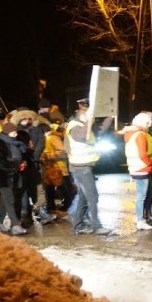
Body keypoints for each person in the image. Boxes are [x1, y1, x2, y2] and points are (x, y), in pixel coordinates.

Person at [67, 98, 111, 235]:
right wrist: (88, 121)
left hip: (85, 167)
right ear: (82, 115)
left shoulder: (85, 126)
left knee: (84, 197)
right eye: (87, 115)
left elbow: (101, 130)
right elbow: (81, 136)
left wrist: (111, 115)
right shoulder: (74, 126)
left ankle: (78, 225)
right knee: (92, 196)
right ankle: (96, 226)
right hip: (81, 168)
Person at [0, 122, 28, 235]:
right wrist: (17, 165)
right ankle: (15, 225)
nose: (16, 133)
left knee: (5, 200)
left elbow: (17, 157)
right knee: (10, 200)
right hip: (4, 177)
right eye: (13, 131)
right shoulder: (0, 144)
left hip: (13, 176)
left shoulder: (14, 143)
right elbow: (0, 162)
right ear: (7, 132)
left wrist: (22, 163)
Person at [123, 112, 152, 231]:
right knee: (142, 196)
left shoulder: (130, 134)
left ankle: (142, 218)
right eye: (148, 123)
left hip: (135, 168)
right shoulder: (140, 135)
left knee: (143, 195)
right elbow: (142, 154)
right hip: (142, 168)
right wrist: (150, 164)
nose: (149, 125)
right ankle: (140, 220)